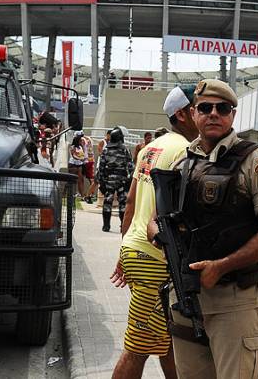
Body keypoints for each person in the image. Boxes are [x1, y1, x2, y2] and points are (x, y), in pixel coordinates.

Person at [164, 79, 258, 379]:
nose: (213, 114)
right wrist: (158, 232)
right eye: (205, 108)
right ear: (193, 114)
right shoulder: (183, 162)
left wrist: (222, 266)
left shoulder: (257, 161)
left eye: (223, 108)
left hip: (235, 301)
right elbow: (163, 217)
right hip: (187, 297)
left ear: (233, 114)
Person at [110, 86, 200, 379]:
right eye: (199, 107)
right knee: (138, 347)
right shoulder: (186, 150)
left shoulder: (152, 147)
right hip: (155, 256)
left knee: (168, 342)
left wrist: (125, 252)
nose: (205, 113)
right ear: (182, 114)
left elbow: (132, 204)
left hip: (138, 249)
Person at [96, 126, 134, 232]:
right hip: (122, 181)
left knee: (107, 202)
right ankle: (123, 225)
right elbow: (131, 167)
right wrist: (129, 180)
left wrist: (101, 182)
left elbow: (101, 167)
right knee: (123, 203)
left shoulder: (106, 150)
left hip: (109, 181)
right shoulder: (125, 150)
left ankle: (106, 225)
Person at [68, 132, 89, 198]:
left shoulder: (81, 147)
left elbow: (83, 154)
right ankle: (67, 193)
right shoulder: (72, 147)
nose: (81, 141)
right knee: (71, 180)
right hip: (73, 164)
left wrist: (83, 159)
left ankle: (82, 195)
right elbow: (73, 155)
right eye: (80, 140)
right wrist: (80, 158)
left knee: (80, 179)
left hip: (79, 164)